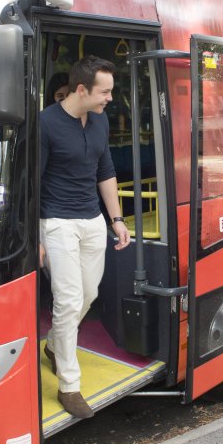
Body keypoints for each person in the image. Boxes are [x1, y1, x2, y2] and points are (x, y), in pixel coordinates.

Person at [39, 55, 131, 419]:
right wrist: (37, 236)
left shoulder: (100, 121)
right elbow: (33, 181)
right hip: (57, 222)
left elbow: (105, 171)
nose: (110, 98)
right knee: (68, 299)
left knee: (88, 295)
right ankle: (69, 385)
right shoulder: (46, 123)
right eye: (104, 92)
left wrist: (117, 220)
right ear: (82, 90)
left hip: (93, 220)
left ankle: (54, 345)